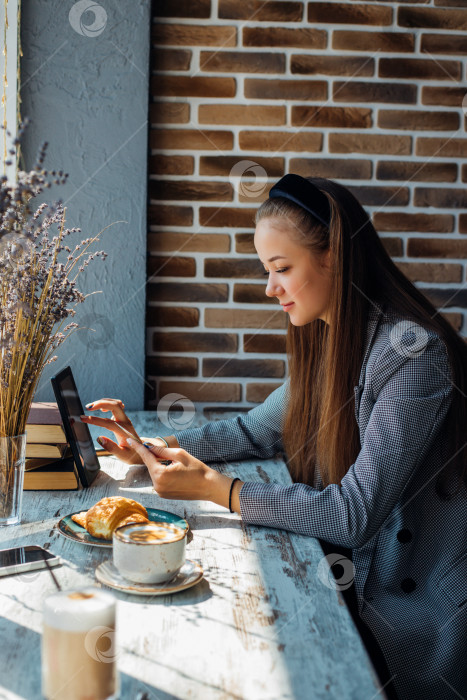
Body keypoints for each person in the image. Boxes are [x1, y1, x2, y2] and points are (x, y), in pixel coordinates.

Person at [81, 174, 467, 700]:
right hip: (347, 579)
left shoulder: (411, 355)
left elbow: (353, 515)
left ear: (334, 257)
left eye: (282, 269)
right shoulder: (330, 336)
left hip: (413, 614)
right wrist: (146, 449)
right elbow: (255, 431)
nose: (270, 288)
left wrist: (223, 491)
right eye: (267, 271)